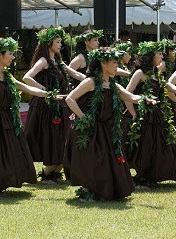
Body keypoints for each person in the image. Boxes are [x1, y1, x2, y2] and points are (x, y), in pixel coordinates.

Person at [64, 47, 149, 201]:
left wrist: (145, 99)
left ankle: (105, 189)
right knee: (92, 158)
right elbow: (70, 99)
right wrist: (83, 118)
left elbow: (130, 97)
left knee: (106, 158)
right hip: (90, 128)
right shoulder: (90, 82)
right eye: (114, 62)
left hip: (106, 127)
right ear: (103, 63)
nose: (118, 66)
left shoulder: (113, 84)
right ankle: (88, 191)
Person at [23, 27, 86, 184]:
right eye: (57, 42)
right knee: (50, 136)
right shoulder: (43, 61)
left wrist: (95, 79)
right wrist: (47, 91)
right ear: (48, 43)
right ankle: (48, 173)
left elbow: (76, 74)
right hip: (46, 106)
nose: (60, 44)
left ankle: (55, 172)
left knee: (61, 137)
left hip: (60, 105)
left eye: (60, 41)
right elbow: (27, 77)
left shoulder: (58, 62)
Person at [0, 37, 61, 197]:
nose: (13, 57)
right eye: (10, 53)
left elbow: (28, 88)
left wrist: (51, 94)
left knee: (9, 152)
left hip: (6, 120)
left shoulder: (7, 76)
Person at [121, 41, 176, 189]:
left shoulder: (156, 73)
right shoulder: (139, 73)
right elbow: (127, 94)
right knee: (143, 147)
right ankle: (141, 177)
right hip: (141, 116)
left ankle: (151, 174)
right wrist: (133, 114)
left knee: (156, 147)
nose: (162, 56)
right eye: (159, 54)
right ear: (150, 56)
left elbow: (167, 86)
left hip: (156, 117)